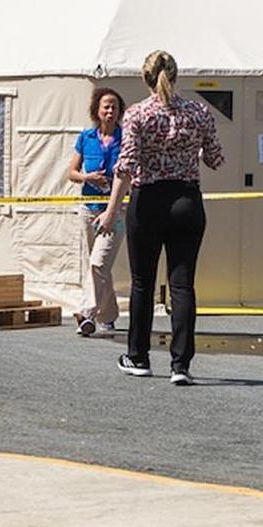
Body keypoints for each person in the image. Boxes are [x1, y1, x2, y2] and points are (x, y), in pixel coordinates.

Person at [96, 51, 224, 386]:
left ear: (146, 79)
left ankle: (138, 356)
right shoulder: (199, 112)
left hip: (148, 200)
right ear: (176, 76)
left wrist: (111, 210)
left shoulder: (137, 114)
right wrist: (189, 150)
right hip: (186, 200)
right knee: (182, 284)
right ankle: (181, 364)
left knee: (143, 282)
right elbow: (215, 158)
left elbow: (126, 166)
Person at [68, 87, 126, 337]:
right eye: (106, 107)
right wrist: (87, 177)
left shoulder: (126, 138)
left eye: (114, 107)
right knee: (98, 265)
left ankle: (87, 314)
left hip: (116, 211)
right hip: (88, 209)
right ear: (97, 110)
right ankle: (108, 315)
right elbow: (72, 172)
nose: (110, 111)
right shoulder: (86, 137)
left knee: (99, 262)